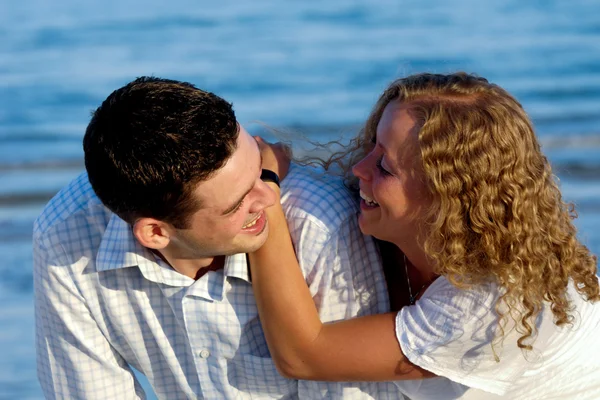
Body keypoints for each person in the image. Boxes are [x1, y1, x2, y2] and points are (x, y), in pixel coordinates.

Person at [33, 77, 406, 399]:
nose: (268, 196)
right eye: (237, 204)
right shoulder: (67, 237)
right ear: (156, 232)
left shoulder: (322, 226)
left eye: (261, 169)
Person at [249, 72, 600, 400]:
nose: (358, 168)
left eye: (384, 166)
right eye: (373, 145)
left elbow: (304, 356)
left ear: (446, 198)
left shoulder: (492, 302)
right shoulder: (443, 245)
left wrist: (267, 199)